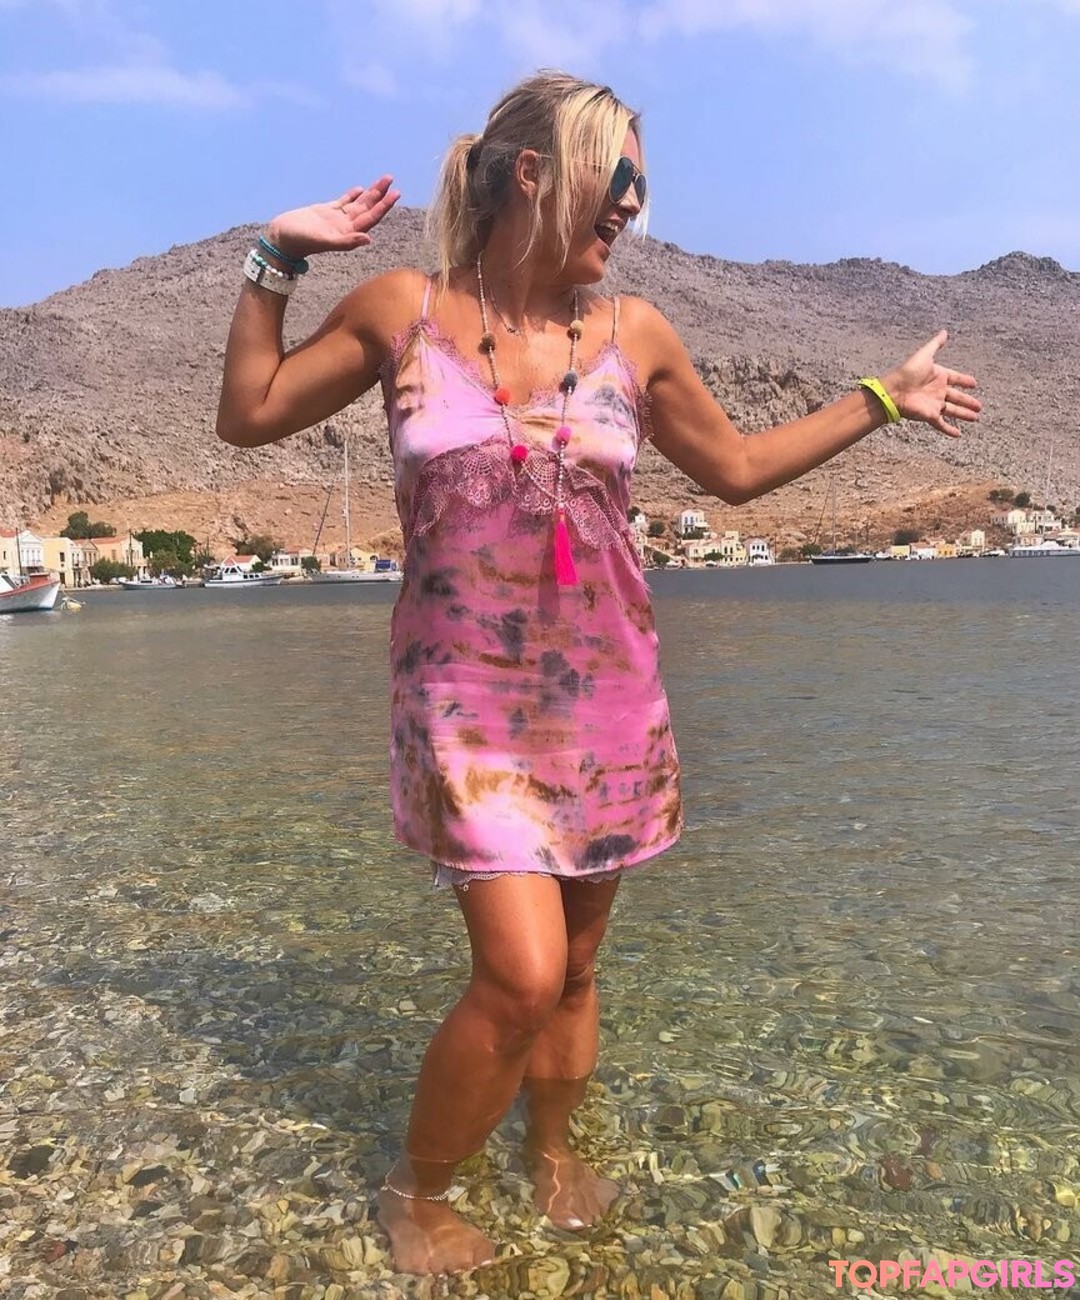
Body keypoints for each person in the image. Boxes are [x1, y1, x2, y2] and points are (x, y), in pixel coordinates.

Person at [216, 71, 980, 1275]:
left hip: (610, 702)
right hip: (464, 707)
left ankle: (553, 1147)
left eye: (640, 189)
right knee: (518, 975)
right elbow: (248, 412)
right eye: (618, 180)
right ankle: (417, 1189)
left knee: (575, 967)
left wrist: (883, 397)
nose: (634, 205)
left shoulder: (634, 334)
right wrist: (277, 256)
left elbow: (736, 469)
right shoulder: (402, 310)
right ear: (535, 173)